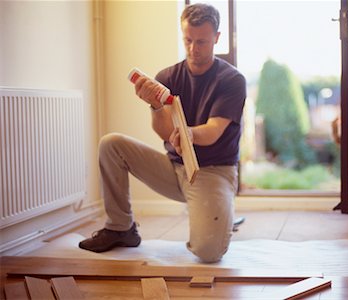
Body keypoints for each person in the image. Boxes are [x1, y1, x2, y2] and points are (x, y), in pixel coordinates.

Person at [79, 3, 246, 263]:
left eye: (201, 41)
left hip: (213, 172)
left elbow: (213, 131)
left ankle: (221, 211)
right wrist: (156, 106)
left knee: (209, 253)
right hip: (174, 167)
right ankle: (120, 227)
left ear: (217, 38)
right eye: (188, 40)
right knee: (111, 144)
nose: (193, 49)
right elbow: (165, 133)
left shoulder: (232, 80)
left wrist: (188, 135)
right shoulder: (166, 76)